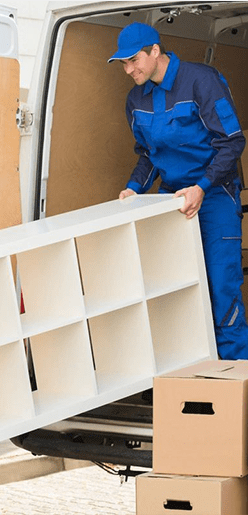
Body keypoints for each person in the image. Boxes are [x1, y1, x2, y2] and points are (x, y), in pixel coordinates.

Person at [108, 22, 248, 360]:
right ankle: (189, 377)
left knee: (221, 289)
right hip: (172, 200)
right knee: (179, 292)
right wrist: (132, 189)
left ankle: (234, 381)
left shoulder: (202, 81)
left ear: (155, 51)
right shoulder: (135, 100)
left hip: (214, 196)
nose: (129, 70)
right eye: (123, 64)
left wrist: (201, 187)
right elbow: (148, 155)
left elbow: (232, 142)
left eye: (133, 60)